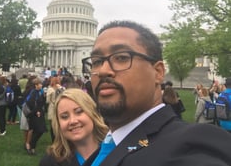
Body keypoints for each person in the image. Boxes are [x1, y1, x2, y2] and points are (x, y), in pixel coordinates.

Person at [81, 20, 231, 166]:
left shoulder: (193, 144)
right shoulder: (104, 149)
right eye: (97, 61)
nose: (103, 71)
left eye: (121, 58)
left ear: (158, 72)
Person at [39, 88, 108, 166]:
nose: (72, 121)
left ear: (92, 113)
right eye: (64, 117)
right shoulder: (50, 162)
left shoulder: (116, 150)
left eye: (79, 112)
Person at [25, 78, 47, 155]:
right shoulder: (34, 93)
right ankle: (31, 146)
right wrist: (36, 111)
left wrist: (44, 97)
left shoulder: (39, 92)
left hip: (40, 113)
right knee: (38, 130)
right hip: (35, 114)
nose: (41, 85)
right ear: (36, 85)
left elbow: (41, 103)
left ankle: (32, 146)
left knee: (40, 130)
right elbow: (30, 103)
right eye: (40, 84)